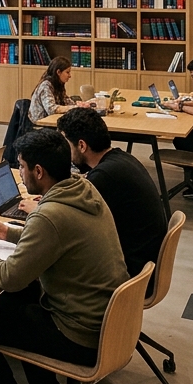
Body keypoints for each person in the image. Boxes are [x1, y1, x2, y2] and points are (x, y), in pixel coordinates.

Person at [0, 129, 129, 384]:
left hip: (79, 334)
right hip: (106, 320)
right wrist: (10, 232)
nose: (21, 175)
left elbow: (9, 278)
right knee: (19, 300)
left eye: (22, 167)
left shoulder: (48, 215)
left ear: (38, 171)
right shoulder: (81, 188)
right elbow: (57, 239)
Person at [56, 108, 167, 280]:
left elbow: (68, 222)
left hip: (129, 274)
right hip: (145, 263)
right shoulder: (121, 159)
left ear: (82, 145)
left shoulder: (104, 177)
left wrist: (41, 206)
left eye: (66, 145)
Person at [28, 57, 88, 123]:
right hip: (40, 125)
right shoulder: (46, 85)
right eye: (67, 72)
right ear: (58, 72)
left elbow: (65, 100)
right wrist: (74, 107)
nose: (70, 76)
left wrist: (79, 104)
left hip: (50, 122)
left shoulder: (58, 84)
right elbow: (51, 109)